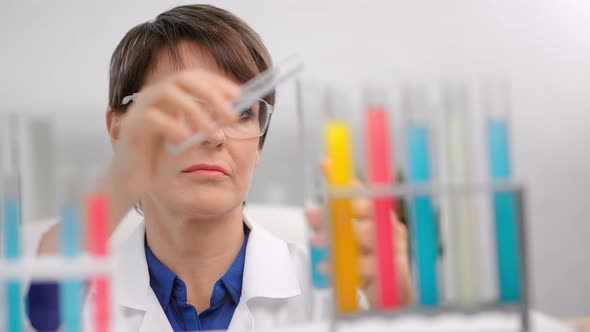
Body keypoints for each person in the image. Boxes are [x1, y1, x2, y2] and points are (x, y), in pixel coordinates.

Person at [26, 4, 411, 332]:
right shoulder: (85, 301)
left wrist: (402, 311)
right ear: (119, 129)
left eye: (243, 112)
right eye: (183, 110)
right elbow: (41, 314)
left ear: (258, 145)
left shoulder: (332, 293)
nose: (213, 137)